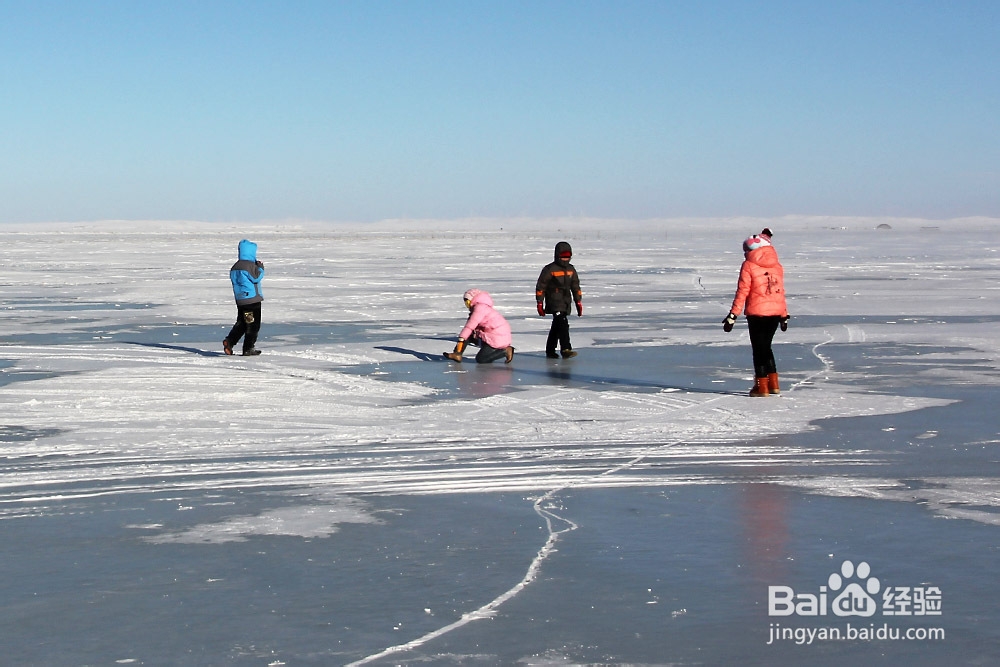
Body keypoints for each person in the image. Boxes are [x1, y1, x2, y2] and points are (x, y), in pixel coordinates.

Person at [723, 230, 789, 396]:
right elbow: (779, 291)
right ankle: (774, 384)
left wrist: (733, 315)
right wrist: (783, 315)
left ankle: (762, 387)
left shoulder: (748, 265)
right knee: (766, 347)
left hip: (757, 313)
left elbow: (742, 291)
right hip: (775, 312)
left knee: (759, 350)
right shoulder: (777, 266)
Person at [535, 241, 583, 358]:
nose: (565, 259)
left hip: (565, 301)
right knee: (562, 322)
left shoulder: (571, 270)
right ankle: (566, 348)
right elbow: (541, 286)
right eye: (563, 256)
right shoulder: (550, 269)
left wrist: (578, 301)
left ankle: (550, 350)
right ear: (557, 255)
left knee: (557, 325)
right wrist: (540, 303)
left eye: (568, 257)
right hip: (554, 300)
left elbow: (575, 286)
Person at [444, 289, 514, 364]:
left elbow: (470, 326)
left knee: (481, 359)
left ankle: (506, 351)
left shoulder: (480, 308)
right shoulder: (478, 307)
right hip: (490, 334)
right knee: (468, 335)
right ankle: (457, 354)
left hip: (497, 336)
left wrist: (462, 338)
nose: (466, 303)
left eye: (467, 300)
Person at [223, 239, 265, 356]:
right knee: (252, 325)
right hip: (252, 301)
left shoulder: (235, 266)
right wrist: (260, 267)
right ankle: (248, 348)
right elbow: (256, 277)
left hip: (241, 300)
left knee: (242, 323)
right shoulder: (249, 265)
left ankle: (230, 341)